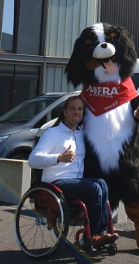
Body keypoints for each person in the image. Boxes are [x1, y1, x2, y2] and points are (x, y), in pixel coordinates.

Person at [28, 95, 118, 248]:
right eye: (72, 109)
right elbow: (33, 160)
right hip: (56, 182)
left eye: (80, 109)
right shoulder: (53, 133)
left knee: (102, 183)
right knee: (94, 188)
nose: (76, 112)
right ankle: (93, 236)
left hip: (76, 181)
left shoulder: (81, 133)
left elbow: (105, 134)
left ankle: (101, 233)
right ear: (64, 112)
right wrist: (59, 157)